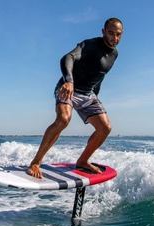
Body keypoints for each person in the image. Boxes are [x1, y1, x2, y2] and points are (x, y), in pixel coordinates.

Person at [27, 17, 124, 179]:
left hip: (88, 94)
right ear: (103, 32)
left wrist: (95, 98)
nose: (114, 38)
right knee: (63, 119)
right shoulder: (90, 45)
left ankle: (83, 161)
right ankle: (35, 162)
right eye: (111, 33)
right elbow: (68, 58)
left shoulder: (114, 54)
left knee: (105, 128)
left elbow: (99, 76)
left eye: (118, 34)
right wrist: (69, 81)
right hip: (68, 88)